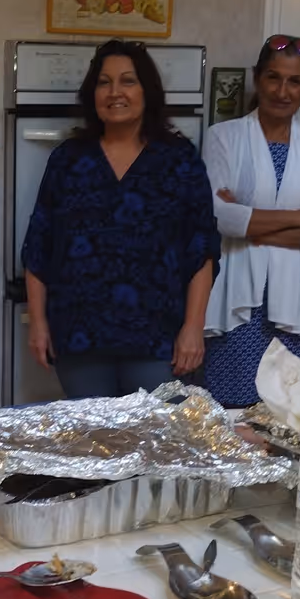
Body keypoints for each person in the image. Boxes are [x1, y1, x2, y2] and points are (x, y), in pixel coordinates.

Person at [21, 38, 220, 399]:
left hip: (157, 340)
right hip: (80, 341)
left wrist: (193, 326)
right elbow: (39, 244)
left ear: (147, 91)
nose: (115, 92)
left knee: (158, 444)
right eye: (104, 82)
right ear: (92, 93)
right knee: (94, 446)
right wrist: (38, 322)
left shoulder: (178, 160)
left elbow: (202, 248)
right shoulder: (68, 160)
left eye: (128, 81)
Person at [200, 35, 300, 408]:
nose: (282, 90)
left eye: (294, 81)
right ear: (257, 78)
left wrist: (251, 222)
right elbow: (219, 218)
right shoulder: (224, 138)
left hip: (297, 300)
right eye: (273, 77)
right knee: (233, 416)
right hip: (239, 300)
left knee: (294, 415)